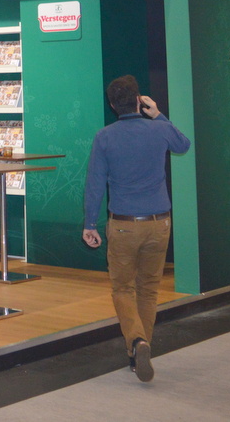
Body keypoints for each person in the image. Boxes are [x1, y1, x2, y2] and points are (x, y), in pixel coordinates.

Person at [83, 75, 191, 383]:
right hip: (159, 223)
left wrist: (90, 223)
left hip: (123, 225)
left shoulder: (104, 137)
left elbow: (95, 184)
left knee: (123, 288)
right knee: (149, 289)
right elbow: (183, 144)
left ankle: (137, 341)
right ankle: (140, 351)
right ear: (139, 100)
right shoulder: (159, 129)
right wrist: (159, 115)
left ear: (112, 105)